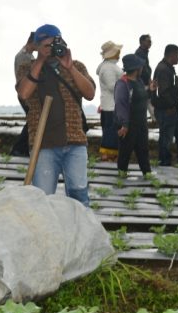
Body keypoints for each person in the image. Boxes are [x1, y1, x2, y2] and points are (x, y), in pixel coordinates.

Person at [15, 24, 97, 206]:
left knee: (79, 196)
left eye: (55, 43)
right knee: (42, 198)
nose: (52, 49)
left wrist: (70, 68)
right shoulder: (27, 67)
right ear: (36, 47)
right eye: (46, 45)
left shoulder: (76, 66)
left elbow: (90, 93)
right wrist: (40, 61)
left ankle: (79, 232)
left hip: (75, 141)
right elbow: (24, 93)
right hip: (43, 144)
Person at [152, 44, 178, 167]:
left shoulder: (168, 68)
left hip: (173, 109)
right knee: (166, 138)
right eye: (177, 55)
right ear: (171, 55)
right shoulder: (163, 69)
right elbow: (164, 91)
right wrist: (171, 106)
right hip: (167, 110)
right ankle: (164, 162)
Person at [115, 54, 152, 175]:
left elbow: (142, 97)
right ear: (136, 69)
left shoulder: (139, 81)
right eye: (140, 67)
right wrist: (124, 124)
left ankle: (147, 173)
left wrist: (150, 90)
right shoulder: (123, 84)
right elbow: (121, 105)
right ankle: (122, 173)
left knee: (143, 150)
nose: (142, 69)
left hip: (141, 122)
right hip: (128, 124)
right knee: (125, 151)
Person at [10, 32, 39, 157]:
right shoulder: (24, 57)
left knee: (32, 121)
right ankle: (19, 148)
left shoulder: (28, 55)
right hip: (26, 94)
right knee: (33, 121)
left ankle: (21, 148)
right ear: (32, 42)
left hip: (26, 94)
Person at [96, 40, 124, 161]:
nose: (119, 54)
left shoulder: (109, 66)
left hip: (111, 105)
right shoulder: (108, 68)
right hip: (111, 106)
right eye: (117, 51)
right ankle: (106, 156)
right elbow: (112, 86)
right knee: (110, 133)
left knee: (111, 132)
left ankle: (110, 156)